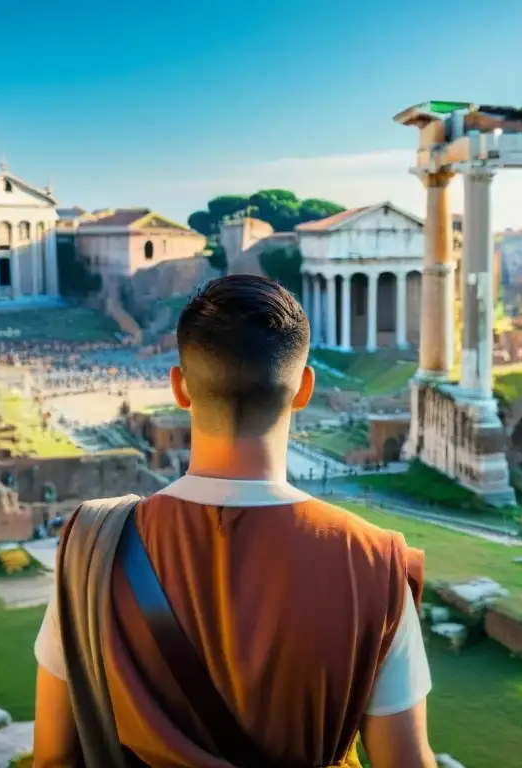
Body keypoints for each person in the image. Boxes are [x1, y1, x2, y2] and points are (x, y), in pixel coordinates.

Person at [34, 275, 433, 767]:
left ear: (180, 387)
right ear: (304, 389)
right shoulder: (376, 564)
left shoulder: (92, 549)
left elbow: (53, 756)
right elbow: (406, 761)